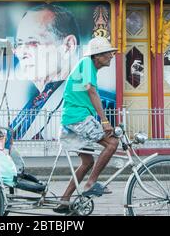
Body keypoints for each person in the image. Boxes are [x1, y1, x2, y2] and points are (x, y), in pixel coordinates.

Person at [54, 36, 119, 214]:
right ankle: (91, 183)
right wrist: (105, 121)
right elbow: (91, 91)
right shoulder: (87, 64)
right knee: (112, 143)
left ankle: (64, 200)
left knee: (87, 162)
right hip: (78, 118)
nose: (111, 56)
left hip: (73, 120)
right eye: (108, 53)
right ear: (97, 56)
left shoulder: (87, 66)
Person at [10, 4, 80, 141]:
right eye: (18, 44)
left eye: (33, 42)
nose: (21, 53)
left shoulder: (90, 99)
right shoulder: (37, 96)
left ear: (68, 46)